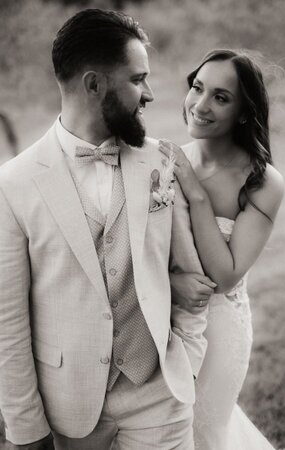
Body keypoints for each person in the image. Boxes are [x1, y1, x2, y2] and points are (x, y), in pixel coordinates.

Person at [0, 9, 214, 450]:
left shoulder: (161, 161)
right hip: (69, 406)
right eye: (137, 79)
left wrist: (187, 359)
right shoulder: (13, 184)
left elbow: (191, 274)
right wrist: (25, 426)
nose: (150, 94)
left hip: (159, 396)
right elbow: (8, 320)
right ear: (94, 84)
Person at [159, 49, 284, 449]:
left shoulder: (262, 182)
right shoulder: (165, 162)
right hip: (162, 319)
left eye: (221, 97)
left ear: (244, 112)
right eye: (197, 88)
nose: (200, 105)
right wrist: (172, 281)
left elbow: (226, 277)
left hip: (220, 332)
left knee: (205, 433)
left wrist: (195, 195)